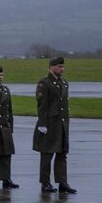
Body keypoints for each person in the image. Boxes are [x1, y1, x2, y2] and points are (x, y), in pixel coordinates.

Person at [34, 57, 75, 193]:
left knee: (62, 153)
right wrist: (42, 124)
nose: (62, 69)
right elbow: (42, 105)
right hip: (50, 124)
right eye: (59, 66)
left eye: (63, 66)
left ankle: (62, 182)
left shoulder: (64, 83)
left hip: (61, 124)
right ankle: (45, 183)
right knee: (47, 154)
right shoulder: (44, 83)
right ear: (51, 67)